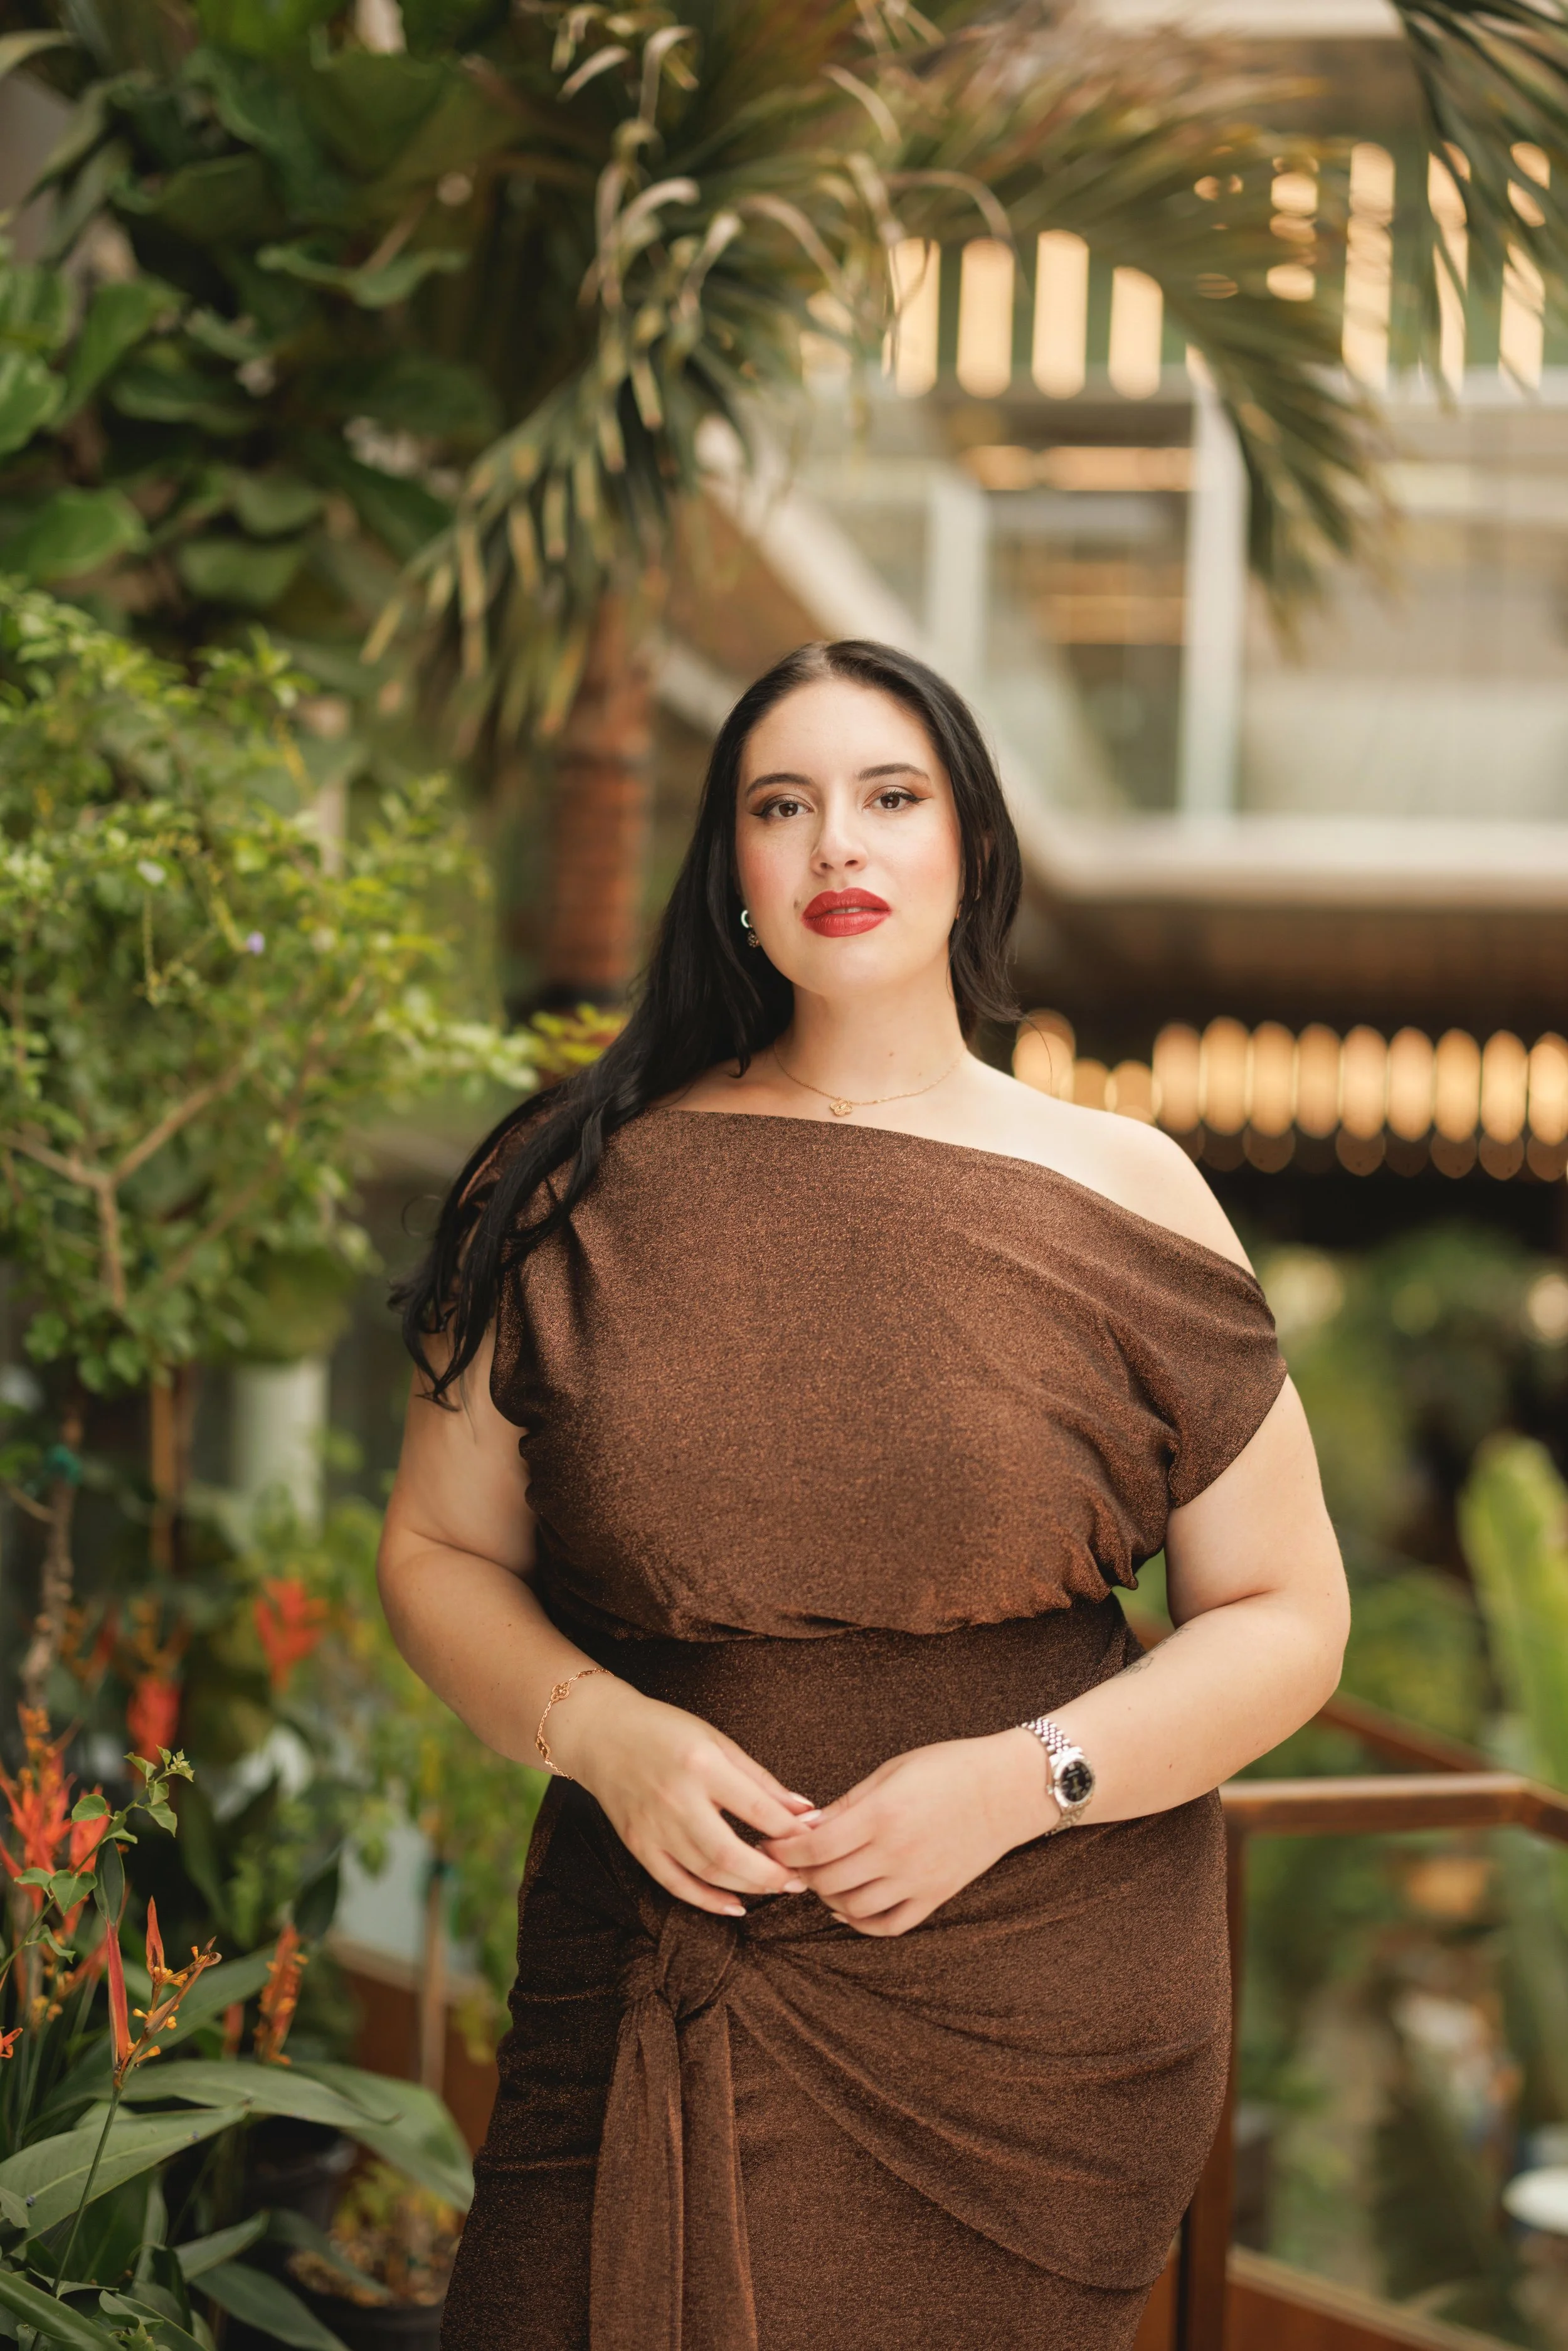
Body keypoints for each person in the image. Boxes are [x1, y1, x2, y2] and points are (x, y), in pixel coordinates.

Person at [379, 639, 1349, 2351]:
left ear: (966, 841)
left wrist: (1021, 1778)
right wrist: (603, 1732)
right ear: (731, 869)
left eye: (889, 796)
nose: (838, 843)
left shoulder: (1127, 1191)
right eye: (782, 805)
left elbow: (1287, 1614)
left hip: (1027, 2022)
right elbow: (438, 1550)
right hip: (648, 1964)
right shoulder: (571, 1182)